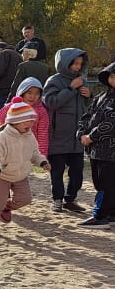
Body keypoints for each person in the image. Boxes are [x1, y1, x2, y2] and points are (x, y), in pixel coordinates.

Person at [0, 77, 50, 212]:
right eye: (29, 93)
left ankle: (6, 204)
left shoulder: (41, 112)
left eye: (36, 93)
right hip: (5, 147)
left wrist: (42, 154)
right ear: (22, 93)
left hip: (23, 150)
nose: (33, 96)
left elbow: (43, 133)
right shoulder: (10, 108)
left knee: (17, 175)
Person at [0, 101, 50, 235]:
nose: (30, 125)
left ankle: (6, 208)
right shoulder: (3, 137)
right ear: (14, 121)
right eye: (26, 121)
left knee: (25, 199)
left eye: (31, 121)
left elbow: (35, 153)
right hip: (1, 175)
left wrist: (42, 162)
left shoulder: (29, 136)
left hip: (20, 175)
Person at [42, 47, 91, 212]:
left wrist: (88, 97)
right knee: (57, 172)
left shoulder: (82, 80)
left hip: (77, 137)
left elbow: (88, 109)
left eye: (80, 64)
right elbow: (51, 102)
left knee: (77, 173)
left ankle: (70, 200)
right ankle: (57, 200)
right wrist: (70, 89)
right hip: (57, 136)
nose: (78, 67)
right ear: (65, 63)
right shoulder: (53, 81)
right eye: (75, 64)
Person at [78, 61, 115, 226]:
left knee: (107, 184)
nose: (113, 79)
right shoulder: (101, 97)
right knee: (99, 181)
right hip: (95, 150)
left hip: (111, 150)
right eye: (112, 76)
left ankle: (100, 215)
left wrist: (92, 136)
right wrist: (81, 133)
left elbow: (112, 122)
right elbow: (87, 115)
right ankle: (111, 214)